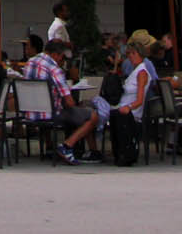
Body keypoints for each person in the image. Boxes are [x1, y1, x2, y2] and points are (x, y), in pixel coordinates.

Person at [25, 38, 97, 162]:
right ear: (55, 54)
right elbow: (69, 102)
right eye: (62, 57)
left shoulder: (30, 62)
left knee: (55, 106)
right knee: (92, 116)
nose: (62, 60)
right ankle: (67, 146)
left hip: (29, 113)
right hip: (51, 114)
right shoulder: (54, 69)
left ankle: (49, 146)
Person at [95, 31, 158, 163]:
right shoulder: (134, 72)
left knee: (95, 112)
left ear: (140, 54)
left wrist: (128, 107)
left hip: (131, 111)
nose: (130, 57)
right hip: (121, 106)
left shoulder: (142, 73)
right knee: (94, 105)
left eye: (133, 54)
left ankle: (96, 142)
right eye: (129, 54)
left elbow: (140, 100)